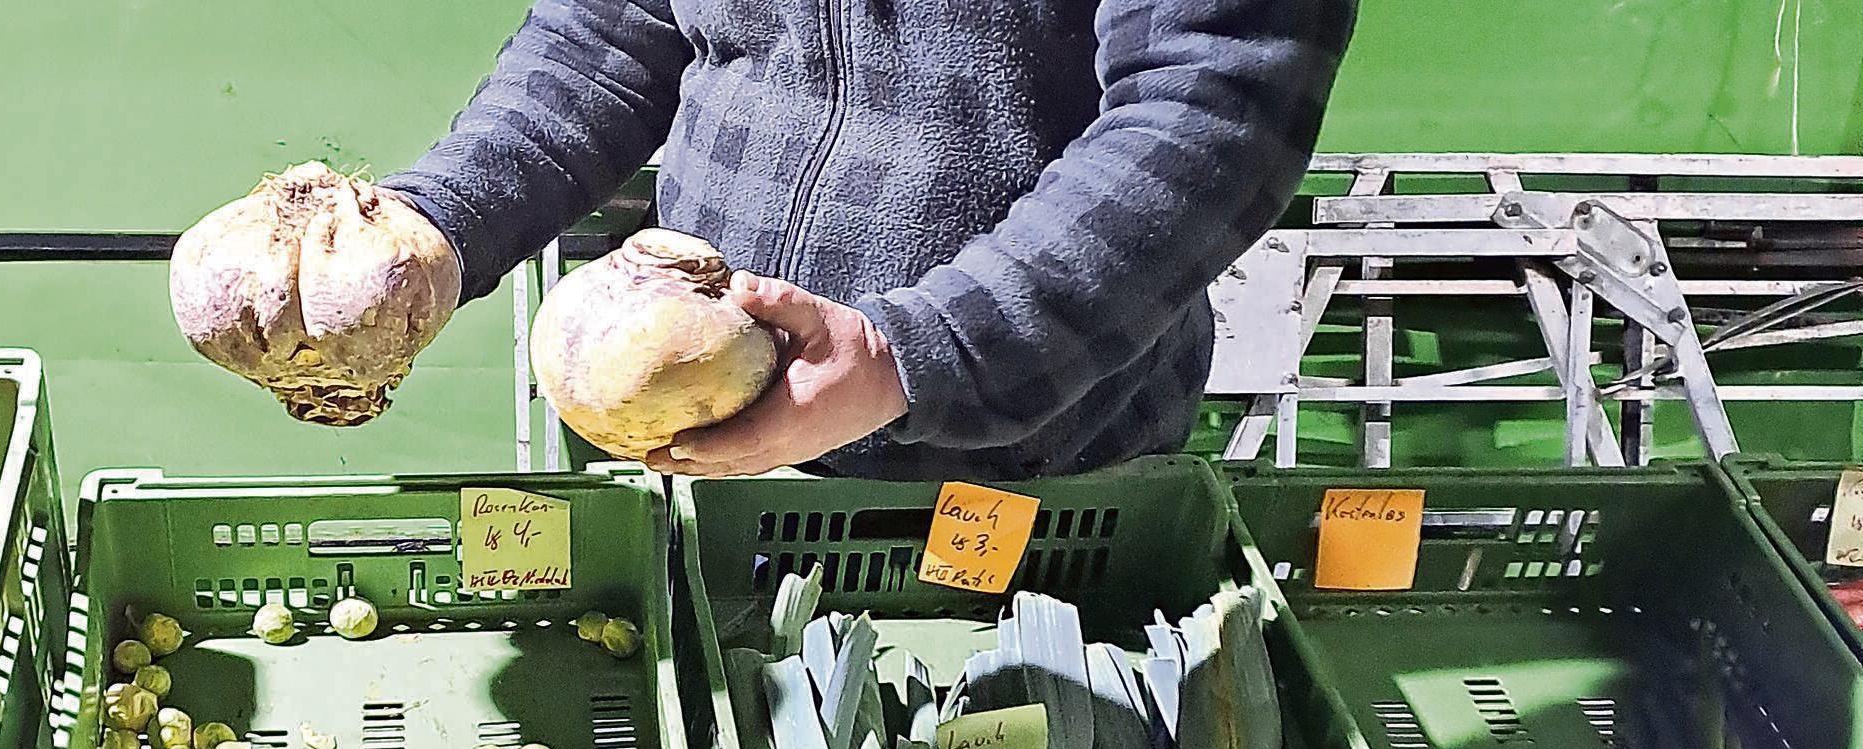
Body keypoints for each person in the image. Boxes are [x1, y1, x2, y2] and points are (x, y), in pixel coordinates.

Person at [385, 0, 1357, 480]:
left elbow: (1211, 107)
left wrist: (916, 355)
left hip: (1028, 460)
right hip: (708, 436)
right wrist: (438, 221)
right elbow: (612, 30)